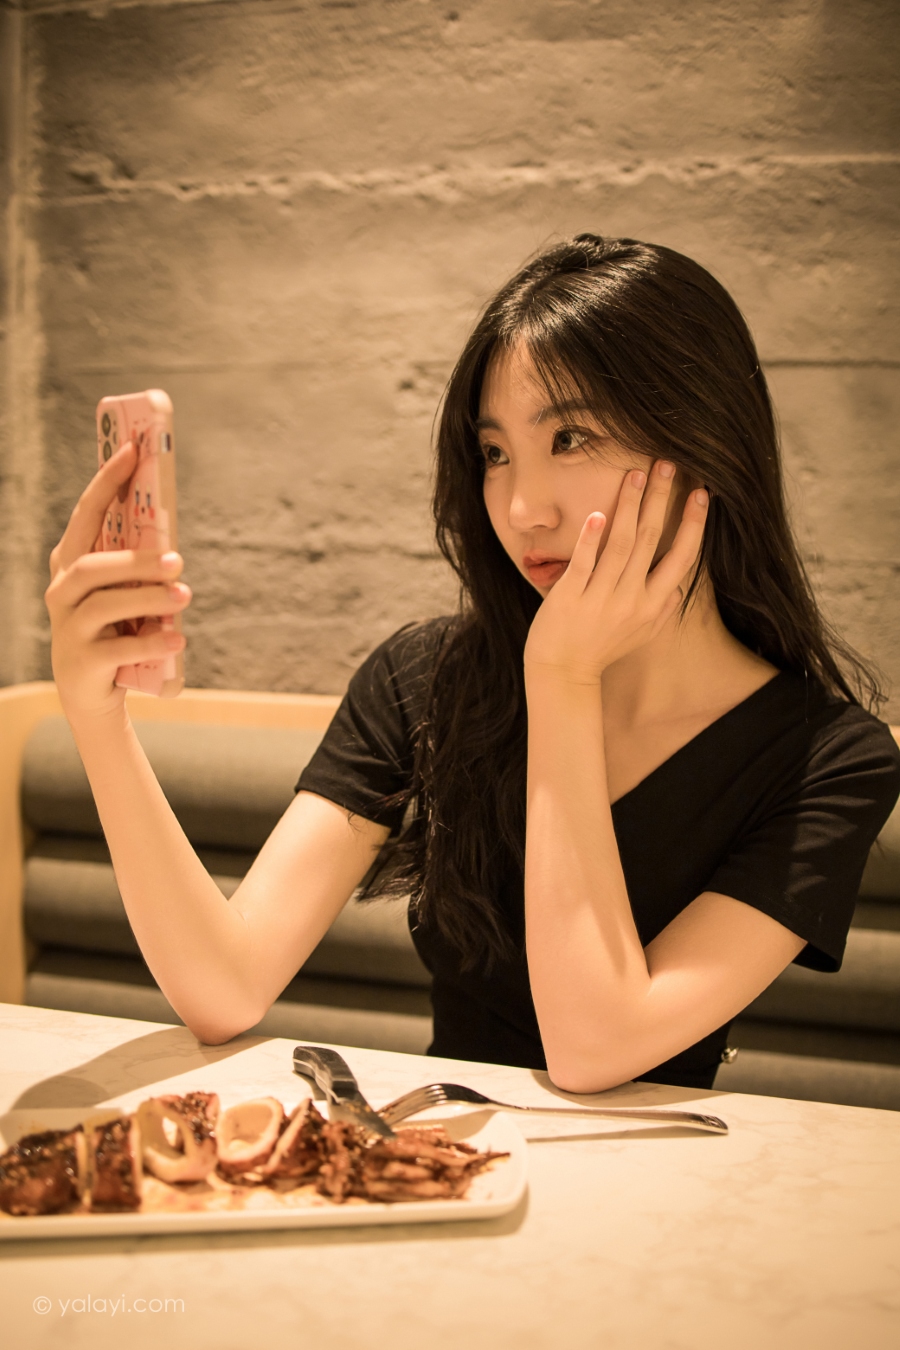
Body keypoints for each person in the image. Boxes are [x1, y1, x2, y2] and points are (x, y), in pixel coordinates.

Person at [46, 234, 900, 1093]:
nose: (522, 508)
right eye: (495, 454)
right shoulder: (427, 679)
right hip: (438, 1149)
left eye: (570, 437)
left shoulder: (828, 759)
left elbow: (593, 1050)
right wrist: (96, 716)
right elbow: (224, 988)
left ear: (705, 439)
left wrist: (563, 679)